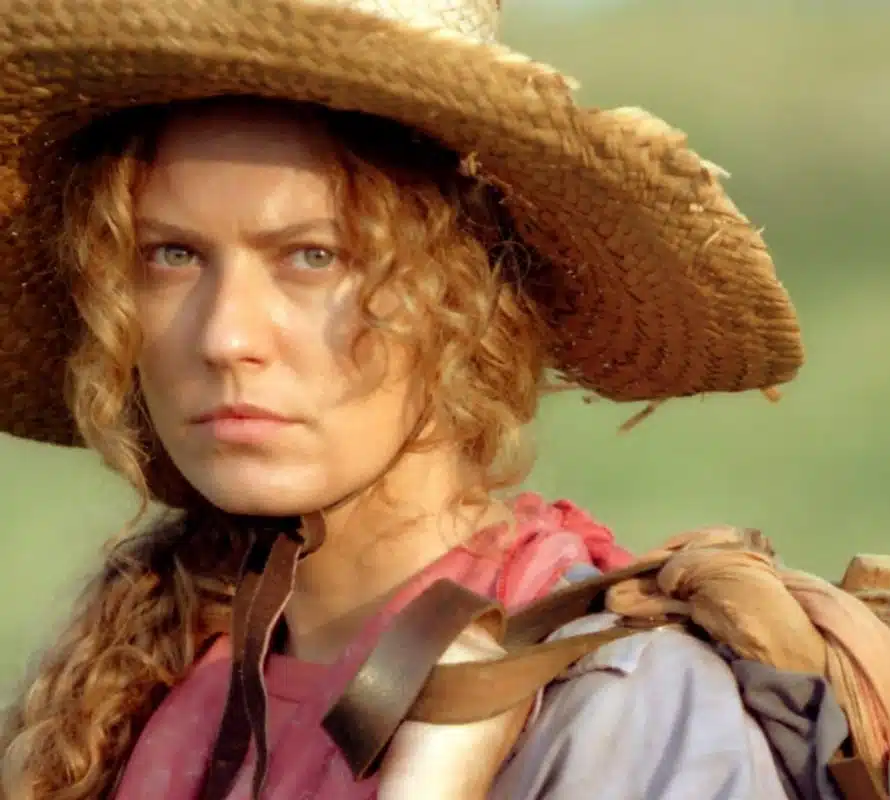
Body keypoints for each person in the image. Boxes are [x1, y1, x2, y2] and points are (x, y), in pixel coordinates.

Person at [0, 1, 823, 798]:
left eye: (313, 256)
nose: (225, 336)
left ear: (465, 297)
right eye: (172, 256)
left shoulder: (616, 705)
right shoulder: (124, 693)